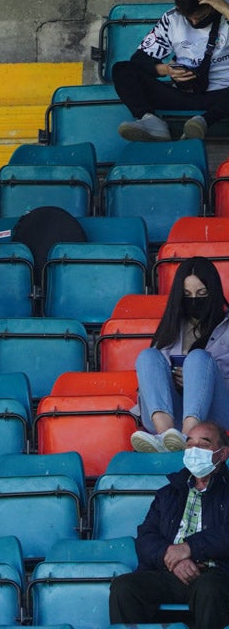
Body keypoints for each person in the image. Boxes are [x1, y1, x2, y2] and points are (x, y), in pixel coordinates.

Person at [109, 421, 229, 629]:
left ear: (223, 453)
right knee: (124, 587)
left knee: (210, 589)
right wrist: (171, 558)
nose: (194, 451)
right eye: (189, 445)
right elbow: (146, 536)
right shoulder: (169, 492)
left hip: (215, 573)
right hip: (170, 571)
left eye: (204, 444)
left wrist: (190, 548)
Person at [113, 0, 229, 142]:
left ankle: (203, 122)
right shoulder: (172, 19)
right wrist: (165, 69)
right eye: (189, 18)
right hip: (183, 94)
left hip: (223, 95)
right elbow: (139, 60)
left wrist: (225, 9)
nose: (195, 22)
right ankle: (151, 121)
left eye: (201, 16)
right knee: (122, 70)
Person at [132, 257, 229, 453]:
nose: (194, 300)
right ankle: (164, 436)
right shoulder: (172, 328)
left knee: (198, 358)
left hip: (215, 413)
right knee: (147, 356)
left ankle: (186, 437)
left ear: (213, 294)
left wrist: (198, 380)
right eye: (187, 295)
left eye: (201, 294)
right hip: (172, 412)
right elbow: (151, 379)